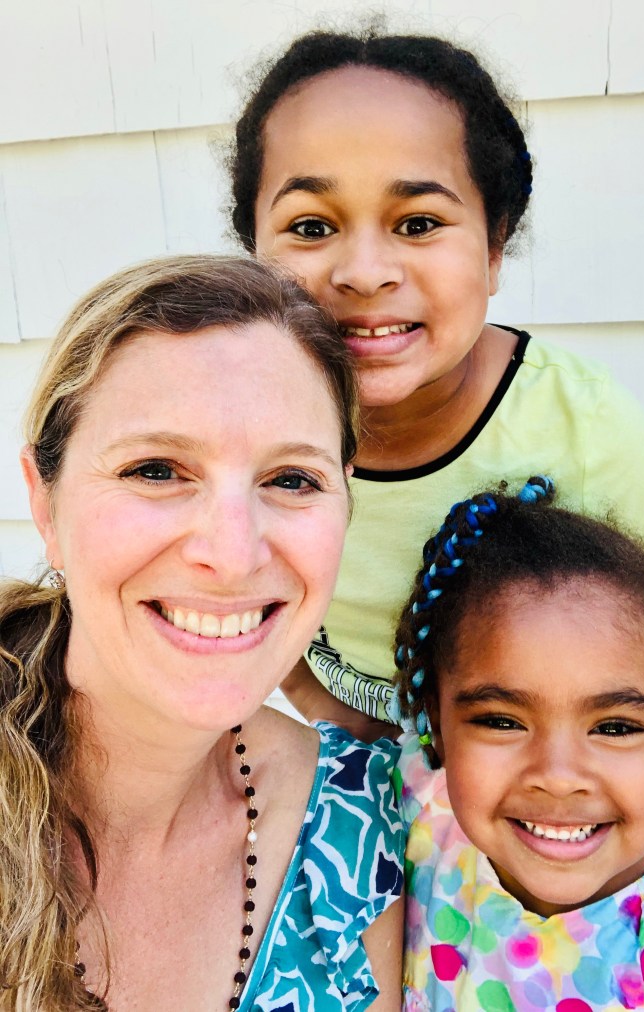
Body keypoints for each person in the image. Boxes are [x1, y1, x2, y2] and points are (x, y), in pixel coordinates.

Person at [229, 28, 644, 739]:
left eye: (419, 221)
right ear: (255, 249)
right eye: (310, 226)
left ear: (495, 248)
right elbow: (250, 598)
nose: (364, 272)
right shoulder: (243, 424)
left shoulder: (579, 423)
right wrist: (332, 717)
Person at [0, 254, 404, 1011]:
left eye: (292, 480)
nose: (232, 554)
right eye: (157, 470)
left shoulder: (355, 819)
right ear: (45, 504)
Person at [392, 478, 644, 1010]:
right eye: (501, 722)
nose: (559, 775)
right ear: (438, 728)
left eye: (614, 728)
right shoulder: (418, 814)